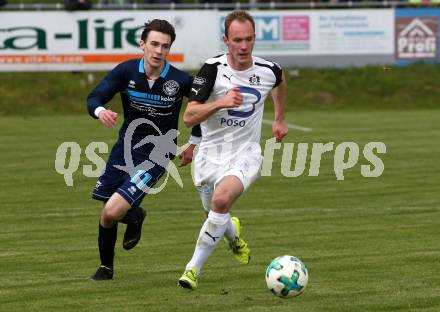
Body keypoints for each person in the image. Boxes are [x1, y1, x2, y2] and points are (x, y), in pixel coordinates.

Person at [178, 10, 288, 290]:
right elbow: (190, 116)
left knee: (221, 202)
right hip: (210, 156)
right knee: (214, 214)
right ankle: (233, 236)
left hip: (246, 154)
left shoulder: (267, 70)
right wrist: (221, 102)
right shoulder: (211, 70)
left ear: (254, 39)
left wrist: (279, 118)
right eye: (237, 40)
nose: (243, 46)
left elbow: (280, 80)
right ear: (226, 40)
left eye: (248, 39)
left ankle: (192, 270)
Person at [87, 19, 201, 281]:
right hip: (124, 149)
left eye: (165, 46)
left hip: (157, 155)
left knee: (113, 211)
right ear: (142, 44)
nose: (158, 51)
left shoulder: (179, 80)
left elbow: (200, 109)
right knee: (108, 211)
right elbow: (94, 97)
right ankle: (108, 263)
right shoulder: (126, 72)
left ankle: (108, 264)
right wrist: (101, 111)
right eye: (154, 44)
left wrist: (194, 143)